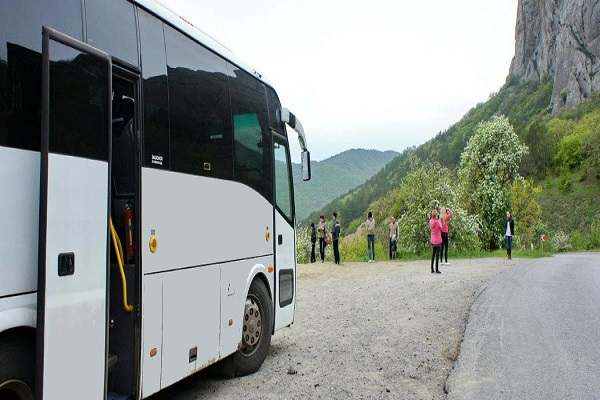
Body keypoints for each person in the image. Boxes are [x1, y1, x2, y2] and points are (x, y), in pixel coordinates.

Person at [430, 209, 443, 274]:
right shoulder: (437, 222)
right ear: (436, 215)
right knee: (437, 255)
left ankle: (432, 268)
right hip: (437, 239)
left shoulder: (430, 221)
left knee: (433, 254)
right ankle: (437, 269)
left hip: (433, 239)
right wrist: (440, 220)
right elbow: (441, 228)